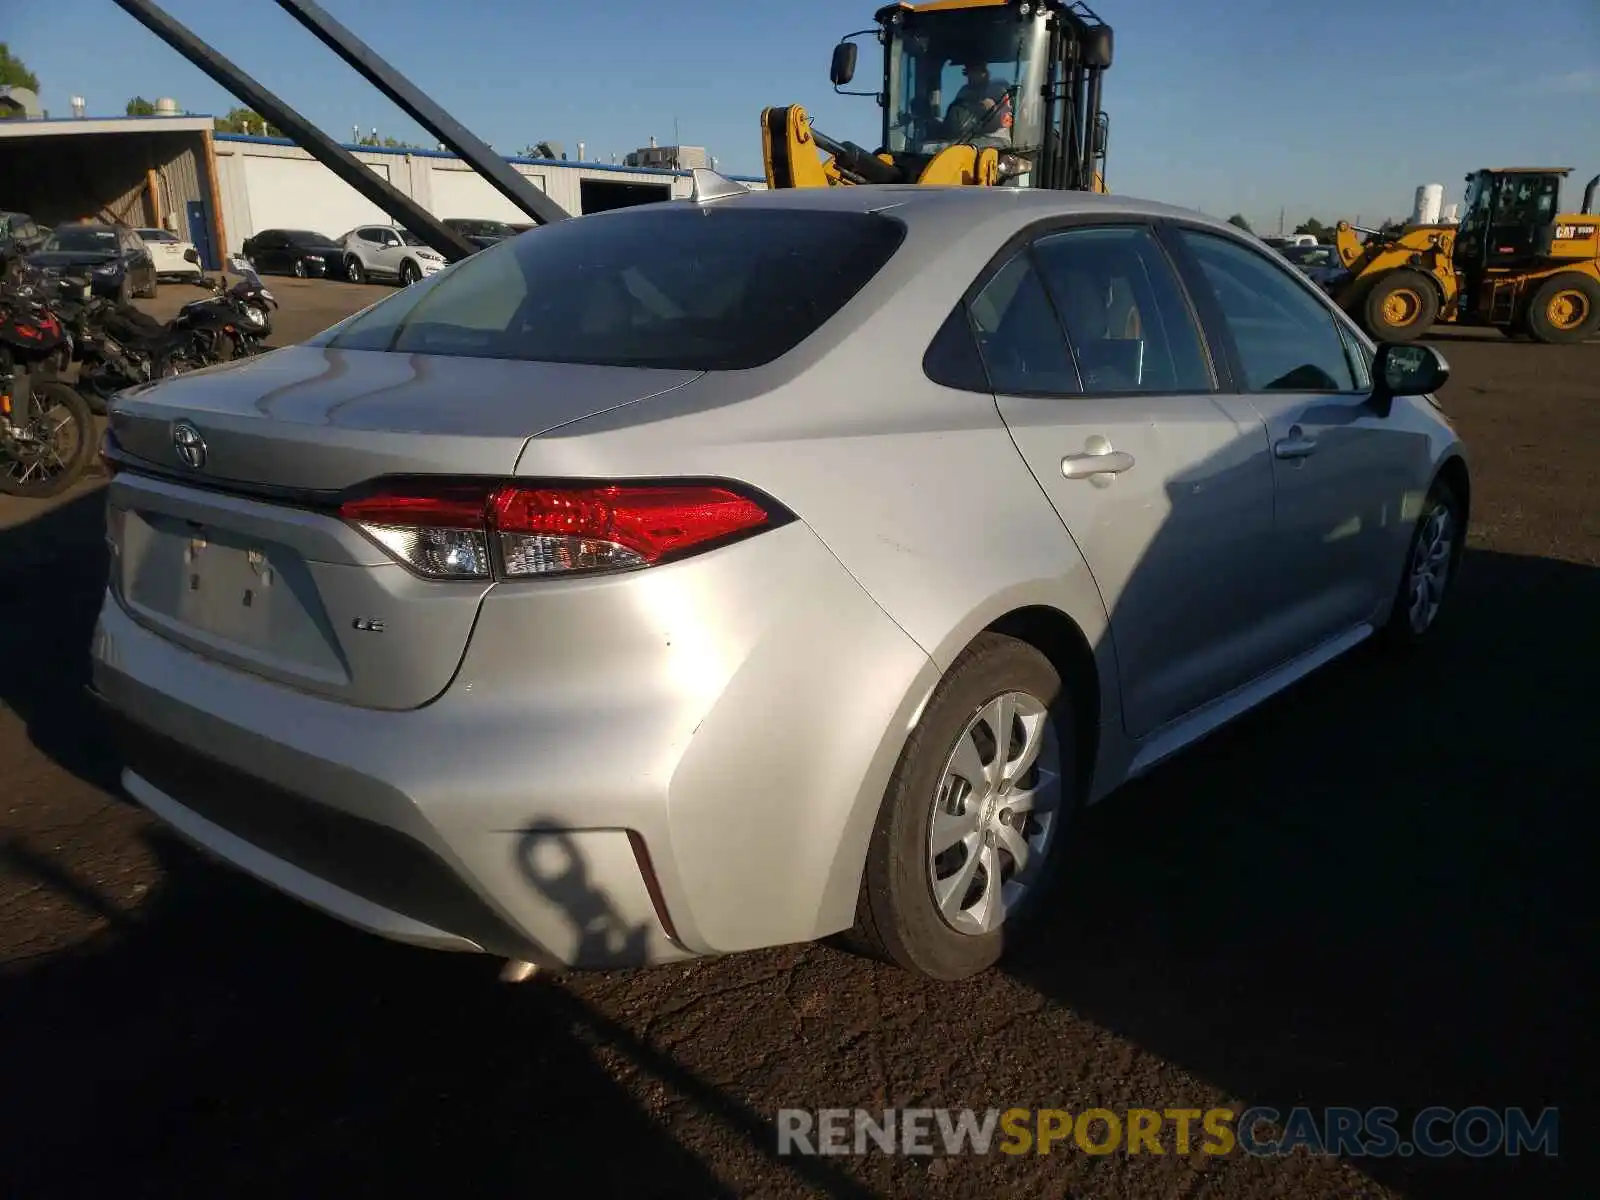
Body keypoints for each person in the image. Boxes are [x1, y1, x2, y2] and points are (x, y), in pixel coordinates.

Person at [943, 58, 1013, 145]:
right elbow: (957, 115)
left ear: (984, 72)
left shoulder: (998, 91)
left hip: (997, 142)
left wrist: (994, 111)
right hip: (966, 140)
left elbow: (1007, 120)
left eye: (975, 71)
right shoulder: (964, 91)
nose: (970, 77)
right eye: (968, 73)